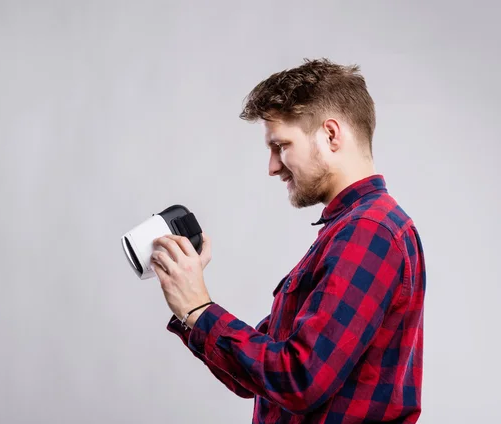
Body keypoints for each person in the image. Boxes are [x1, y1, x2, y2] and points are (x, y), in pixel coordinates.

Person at [150, 58, 426, 423]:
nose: (272, 166)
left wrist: (200, 309)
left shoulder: (370, 231)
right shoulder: (349, 230)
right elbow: (260, 378)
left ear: (331, 135)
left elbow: (299, 380)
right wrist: (190, 309)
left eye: (281, 146)